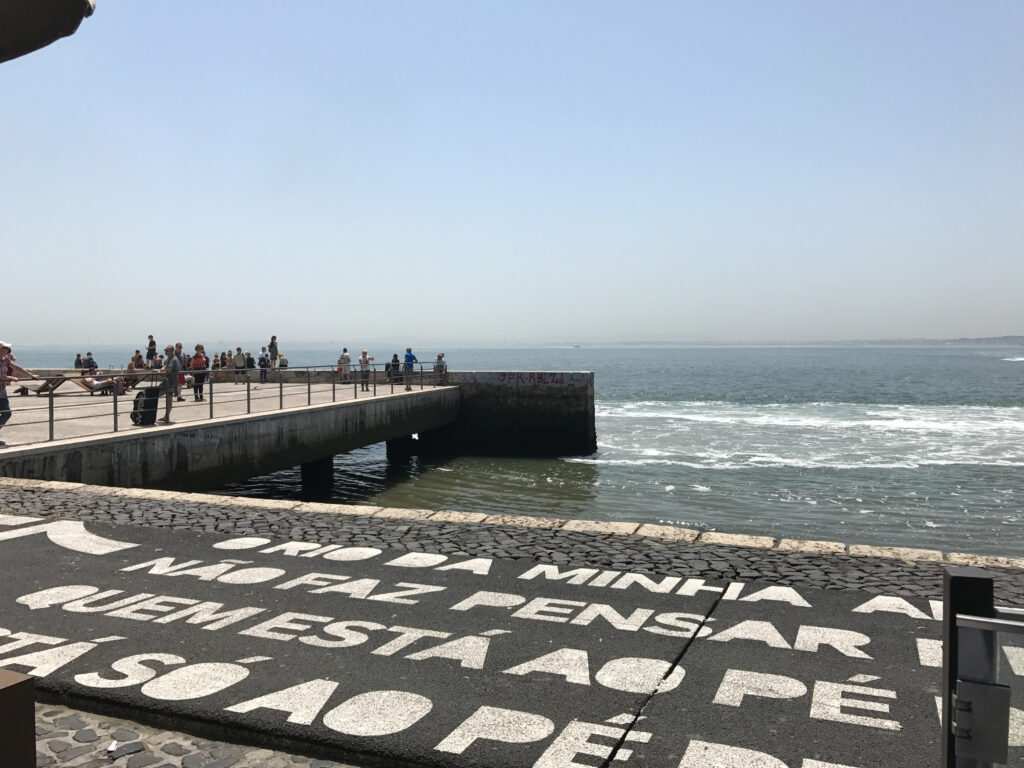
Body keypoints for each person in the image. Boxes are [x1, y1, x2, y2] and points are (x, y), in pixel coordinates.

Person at [158, 345, 182, 423]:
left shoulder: (174, 359)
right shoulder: (169, 359)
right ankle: (166, 416)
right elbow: (166, 366)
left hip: (171, 382)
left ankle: (166, 416)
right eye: (165, 350)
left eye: (167, 351)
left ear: (172, 351)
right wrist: (164, 367)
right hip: (168, 381)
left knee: (168, 399)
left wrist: (162, 370)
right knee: (168, 398)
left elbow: (169, 369)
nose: (165, 352)